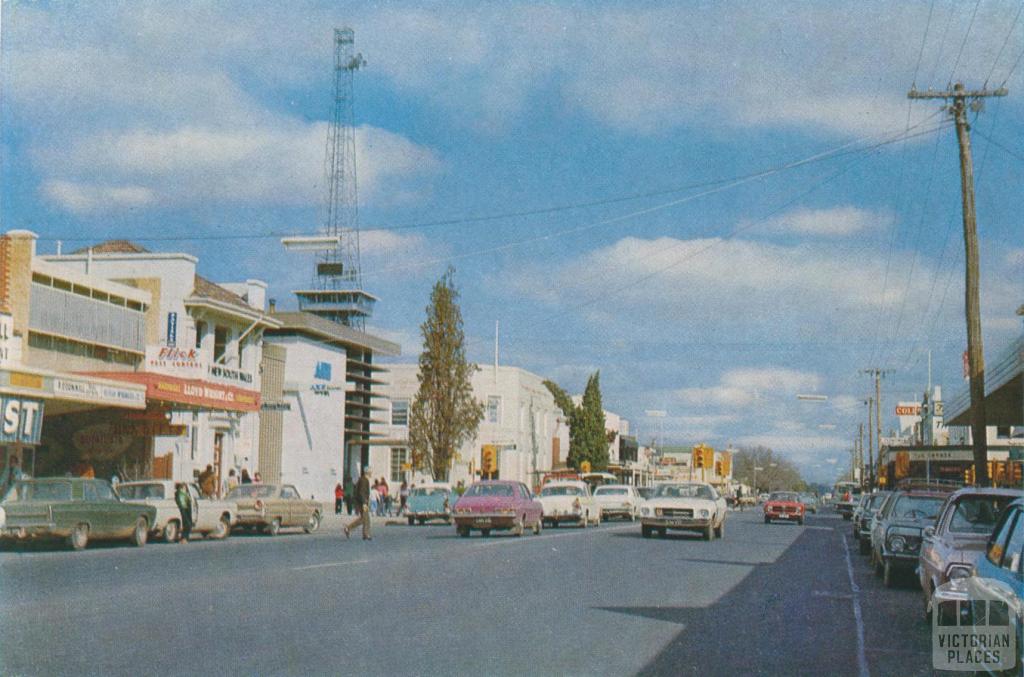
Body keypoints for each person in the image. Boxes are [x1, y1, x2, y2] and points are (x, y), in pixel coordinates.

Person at [344, 468, 372, 540]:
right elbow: (361, 492)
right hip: (363, 502)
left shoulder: (362, 479)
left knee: (364, 518)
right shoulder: (364, 480)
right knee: (366, 518)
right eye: (370, 472)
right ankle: (366, 534)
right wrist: (364, 503)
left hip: (361, 502)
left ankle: (348, 528)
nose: (371, 473)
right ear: (368, 472)